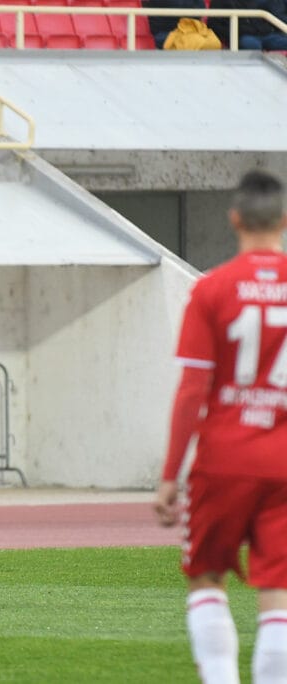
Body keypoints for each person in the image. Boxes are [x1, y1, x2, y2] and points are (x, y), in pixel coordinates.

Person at [154, 170, 287, 684]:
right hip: (282, 464)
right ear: (282, 220)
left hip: (223, 461)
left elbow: (193, 390)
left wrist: (170, 476)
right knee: (277, 591)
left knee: (206, 579)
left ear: (234, 220)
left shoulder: (213, 289)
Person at [208, 0, 287, 50]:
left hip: (263, 34)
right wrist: (235, 34)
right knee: (252, 44)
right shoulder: (219, 2)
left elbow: (260, 19)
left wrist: (267, 29)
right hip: (241, 36)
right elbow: (214, 25)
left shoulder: (253, 2)